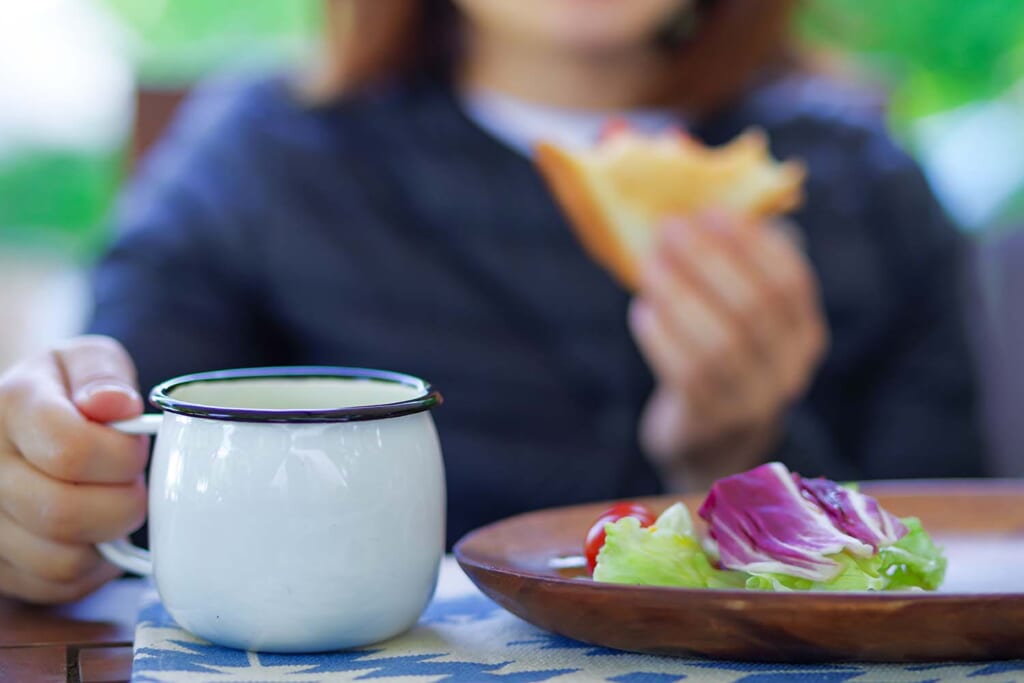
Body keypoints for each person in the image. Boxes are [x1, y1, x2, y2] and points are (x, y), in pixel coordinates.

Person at [0, 0, 983, 604]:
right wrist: (49, 489)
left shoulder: (865, 188)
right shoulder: (261, 161)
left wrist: (736, 452)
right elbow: (119, 459)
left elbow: (957, 557)